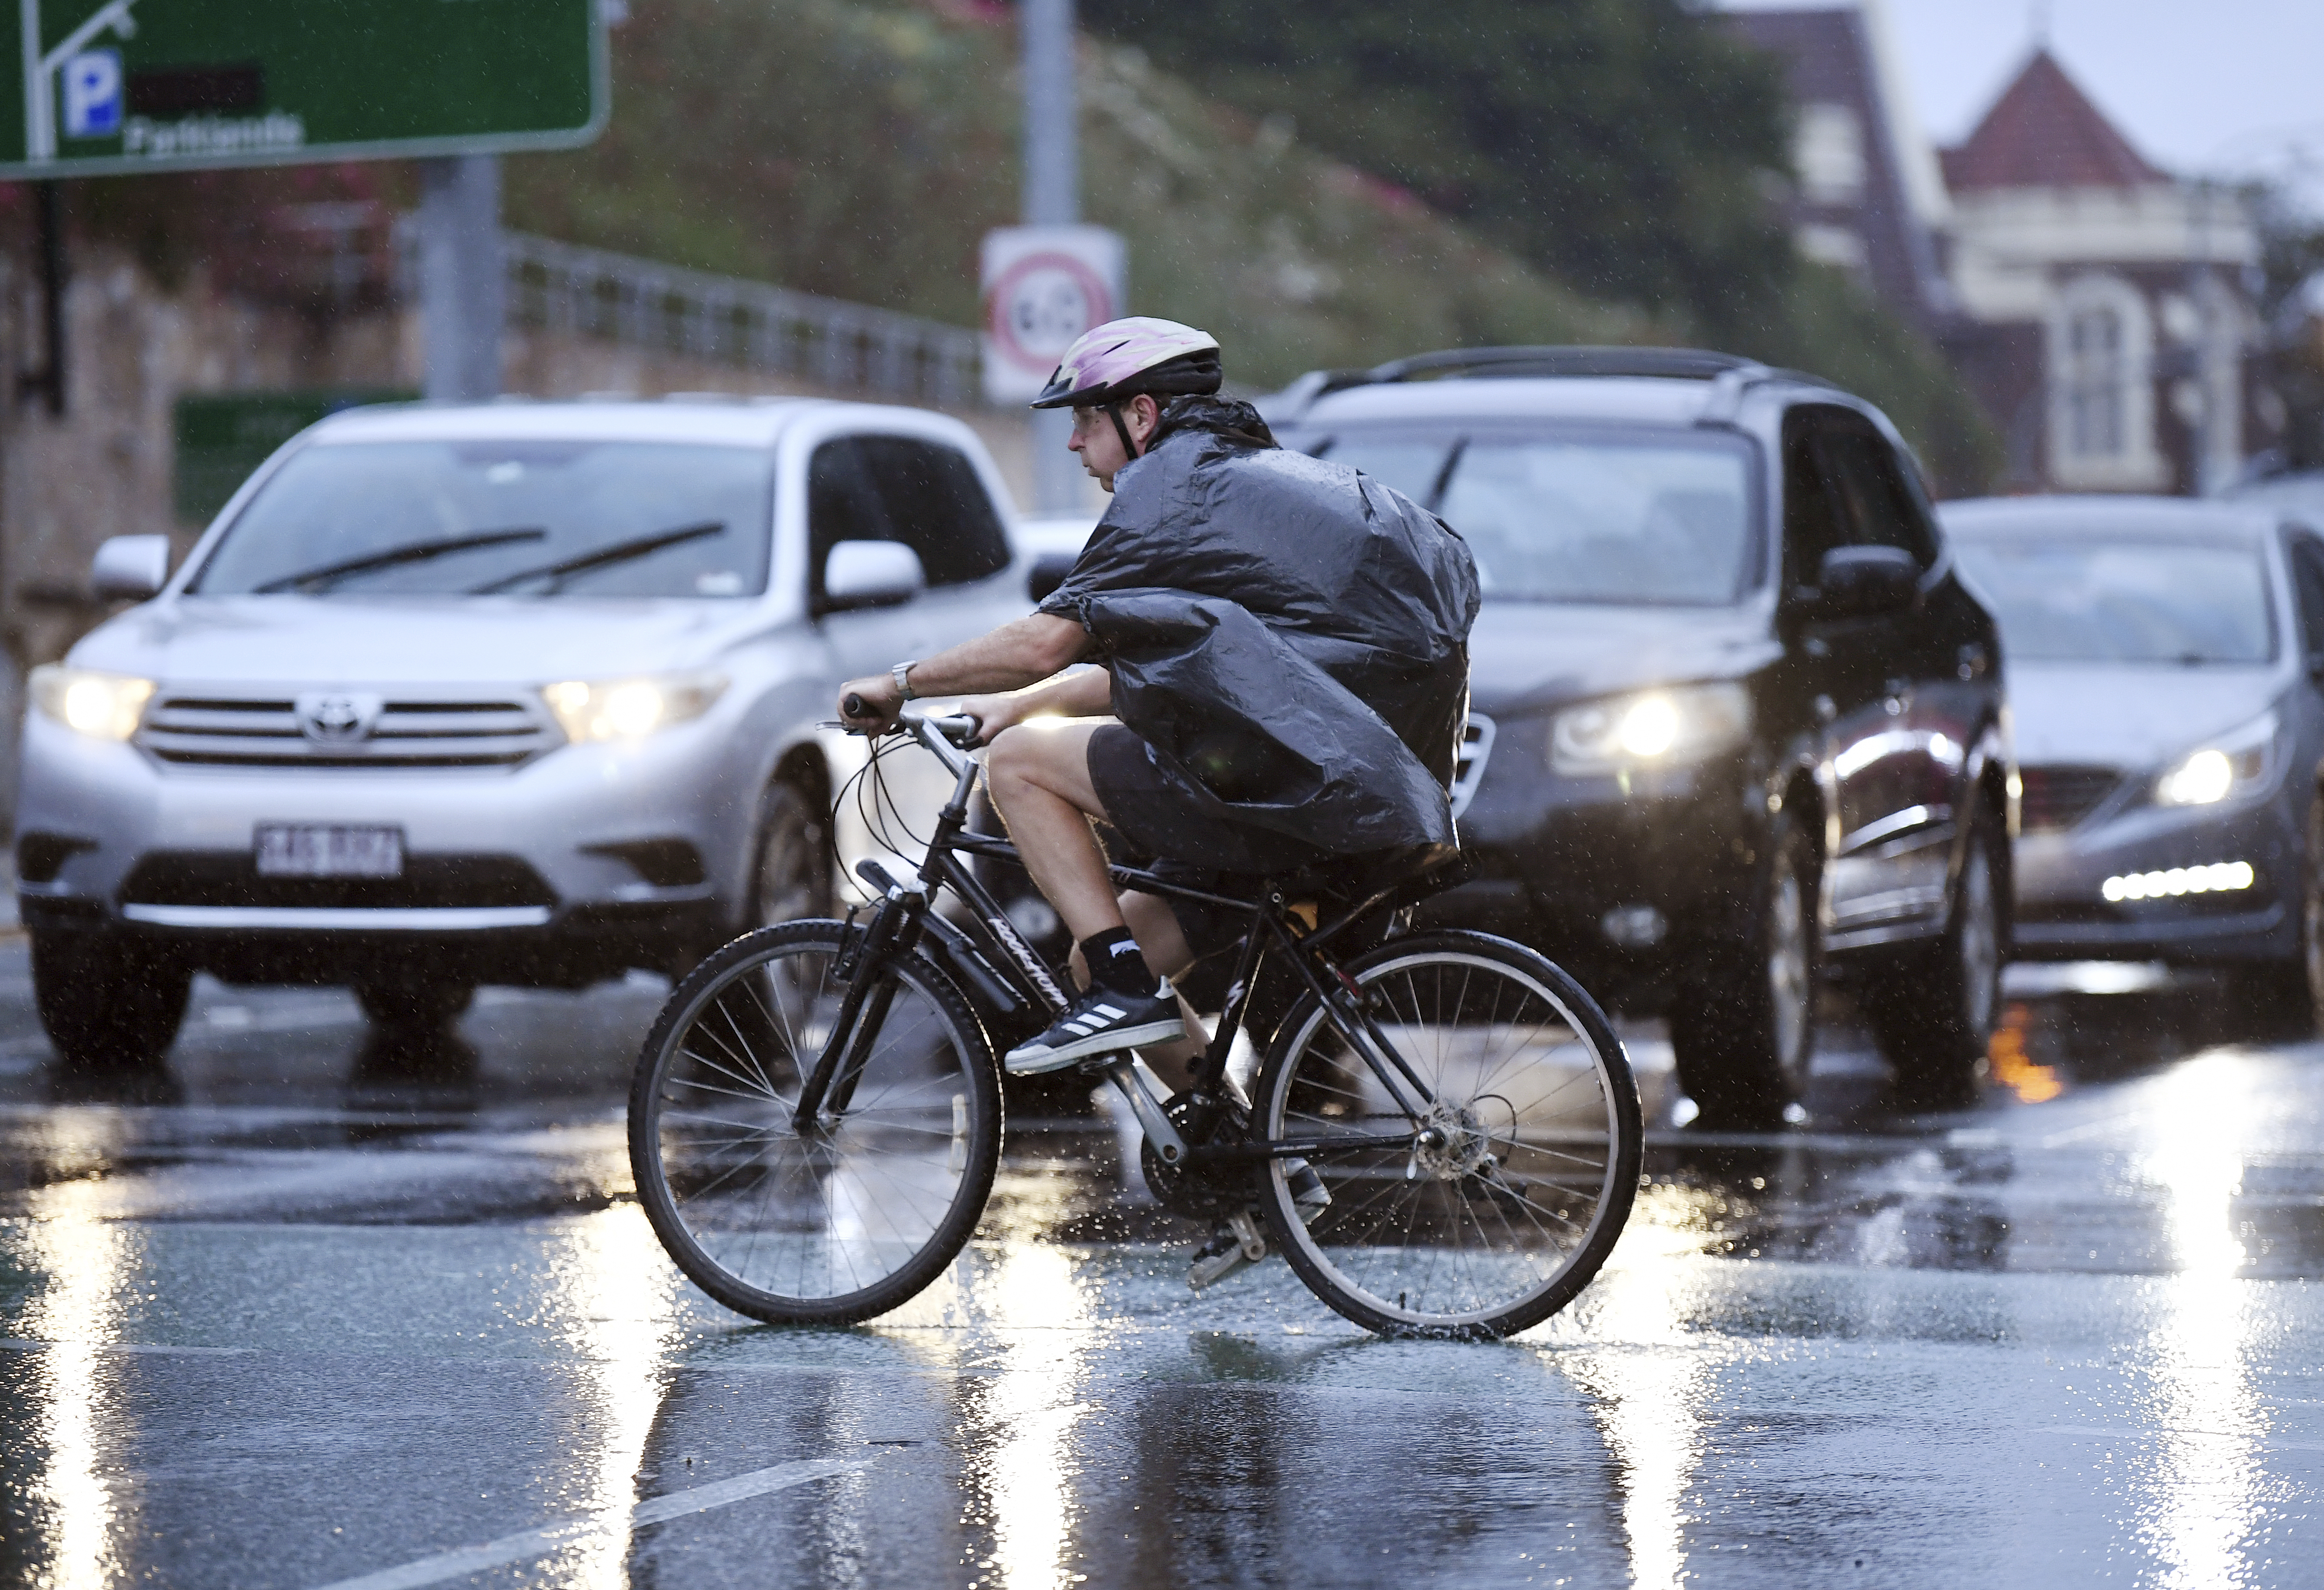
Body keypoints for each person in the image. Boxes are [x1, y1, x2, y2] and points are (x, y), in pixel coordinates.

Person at [836, 315, 1479, 1080]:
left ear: (1141, 415)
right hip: (1354, 801)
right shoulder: (1244, 483)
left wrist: (899, 682)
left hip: (1290, 797)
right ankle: (1238, 1155)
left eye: (1084, 417)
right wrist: (1020, 704)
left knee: (1020, 769)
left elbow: (1045, 642)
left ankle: (1123, 990)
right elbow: (1197, 664)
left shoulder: (1171, 491)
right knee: (1096, 952)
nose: (1075, 443)